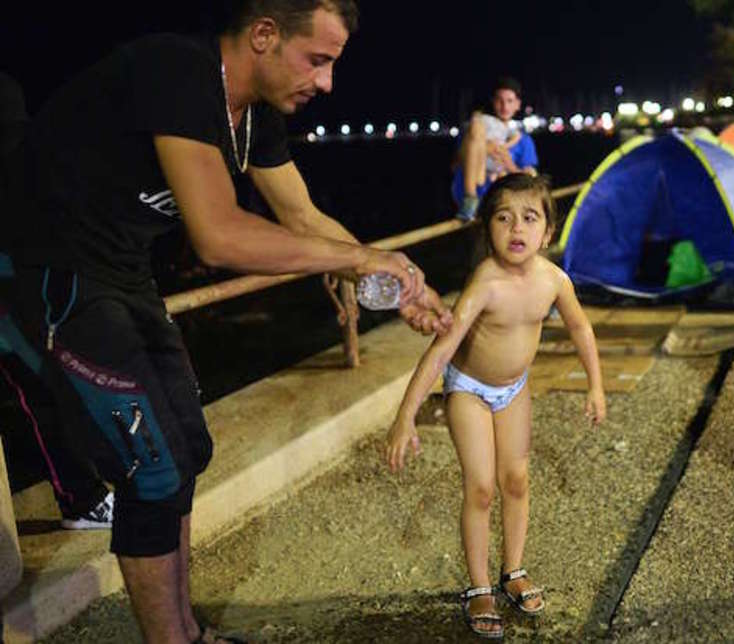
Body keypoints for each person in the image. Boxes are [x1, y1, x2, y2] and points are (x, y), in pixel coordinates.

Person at [0, 2, 452, 642]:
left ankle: (188, 629)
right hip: (49, 271)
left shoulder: (255, 118)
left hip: (120, 272)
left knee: (187, 447)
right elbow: (218, 235)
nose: (326, 83)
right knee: (150, 469)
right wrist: (359, 257)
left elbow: (300, 217)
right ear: (264, 34)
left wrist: (403, 280)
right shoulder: (177, 71)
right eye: (317, 60)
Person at [385, 173, 606, 639]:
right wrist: (405, 417)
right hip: (468, 387)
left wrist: (596, 387)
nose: (517, 229)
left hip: (514, 388)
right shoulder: (485, 282)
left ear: (548, 231)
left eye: (530, 218)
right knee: (482, 487)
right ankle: (479, 586)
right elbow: (442, 350)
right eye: (504, 218)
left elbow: (581, 329)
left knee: (517, 480)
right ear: (488, 229)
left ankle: (513, 571)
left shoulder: (554, 280)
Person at [1, 71, 115, 532]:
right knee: (45, 386)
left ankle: (83, 498)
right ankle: (82, 500)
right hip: (12, 284)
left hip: (19, 277)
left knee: (50, 385)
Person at [452, 77, 539, 222]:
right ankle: (470, 200)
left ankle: (475, 201)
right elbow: (455, 167)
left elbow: (529, 177)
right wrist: (483, 148)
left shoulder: (523, 140)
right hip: (472, 195)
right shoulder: (474, 129)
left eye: (510, 101)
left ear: (518, 104)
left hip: (503, 204)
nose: (504, 106)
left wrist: (506, 161)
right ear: (493, 101)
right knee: (476, 126)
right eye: (500, 100)